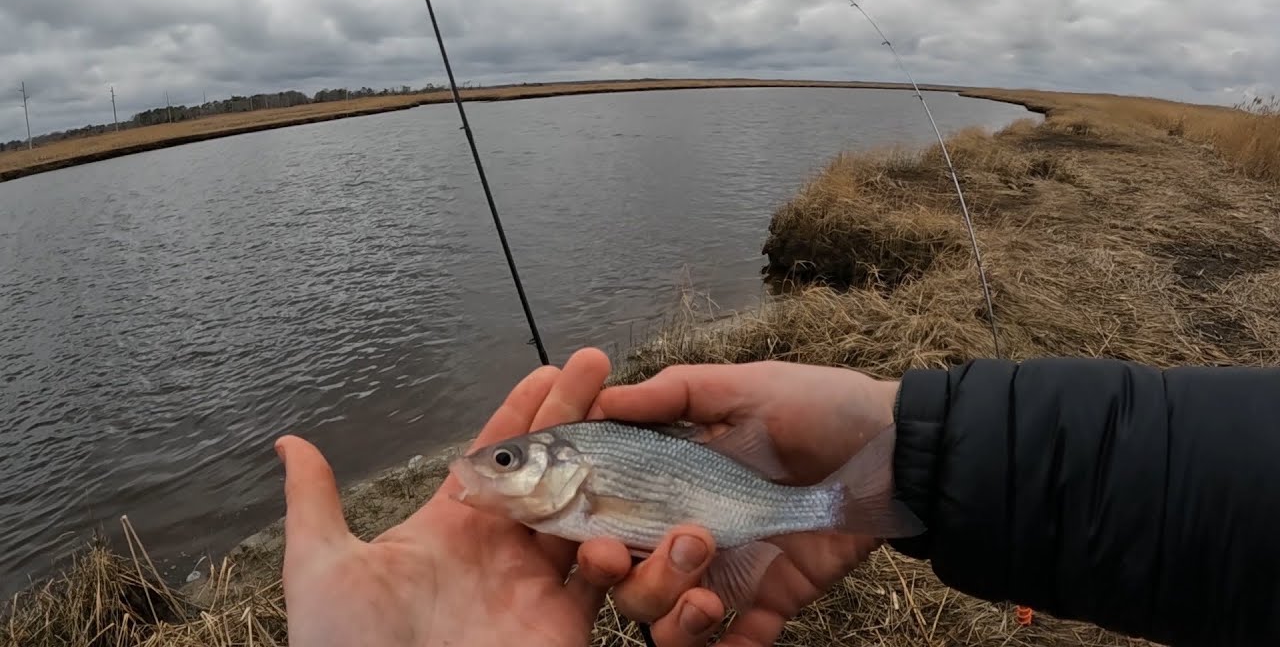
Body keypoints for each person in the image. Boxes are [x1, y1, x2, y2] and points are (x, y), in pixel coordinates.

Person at [274, 347, 1280, 647]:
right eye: (498, 465)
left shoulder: (580, 479)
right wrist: (939, 455)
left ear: (552, 470)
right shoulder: (560, 500)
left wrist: (929, 460)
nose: (482, 474)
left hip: (769, 503)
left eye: (503, 464)